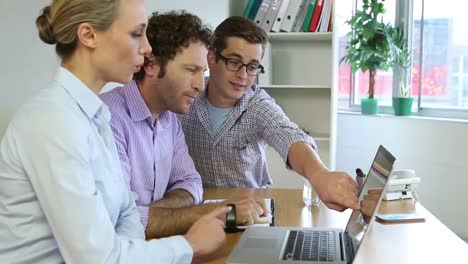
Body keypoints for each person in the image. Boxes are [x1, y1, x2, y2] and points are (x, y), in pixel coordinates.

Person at [0, 1, 229, 263]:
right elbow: (98, 259)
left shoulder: (95, 115)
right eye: (135, 34)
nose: (147, 49)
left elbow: (127, 215)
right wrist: (190, 245)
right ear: (88, 35)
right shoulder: (53, 121)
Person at [100, 10, 267, 239]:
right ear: (151, 65)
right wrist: (223, 213)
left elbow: (190, 182)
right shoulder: (108, 119)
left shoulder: (170, 120)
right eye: (191, 70)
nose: (200, 85)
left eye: (203, 72)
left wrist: (156, 214)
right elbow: (121, 224)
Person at [180, 16, 360, 212]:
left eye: (253, 67)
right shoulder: (186, 98)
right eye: (234, 62)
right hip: (196, 213)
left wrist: (319, 174)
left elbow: (289, 135)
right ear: (212, 59)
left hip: (250, 213)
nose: (243, 76)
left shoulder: (257, 104)